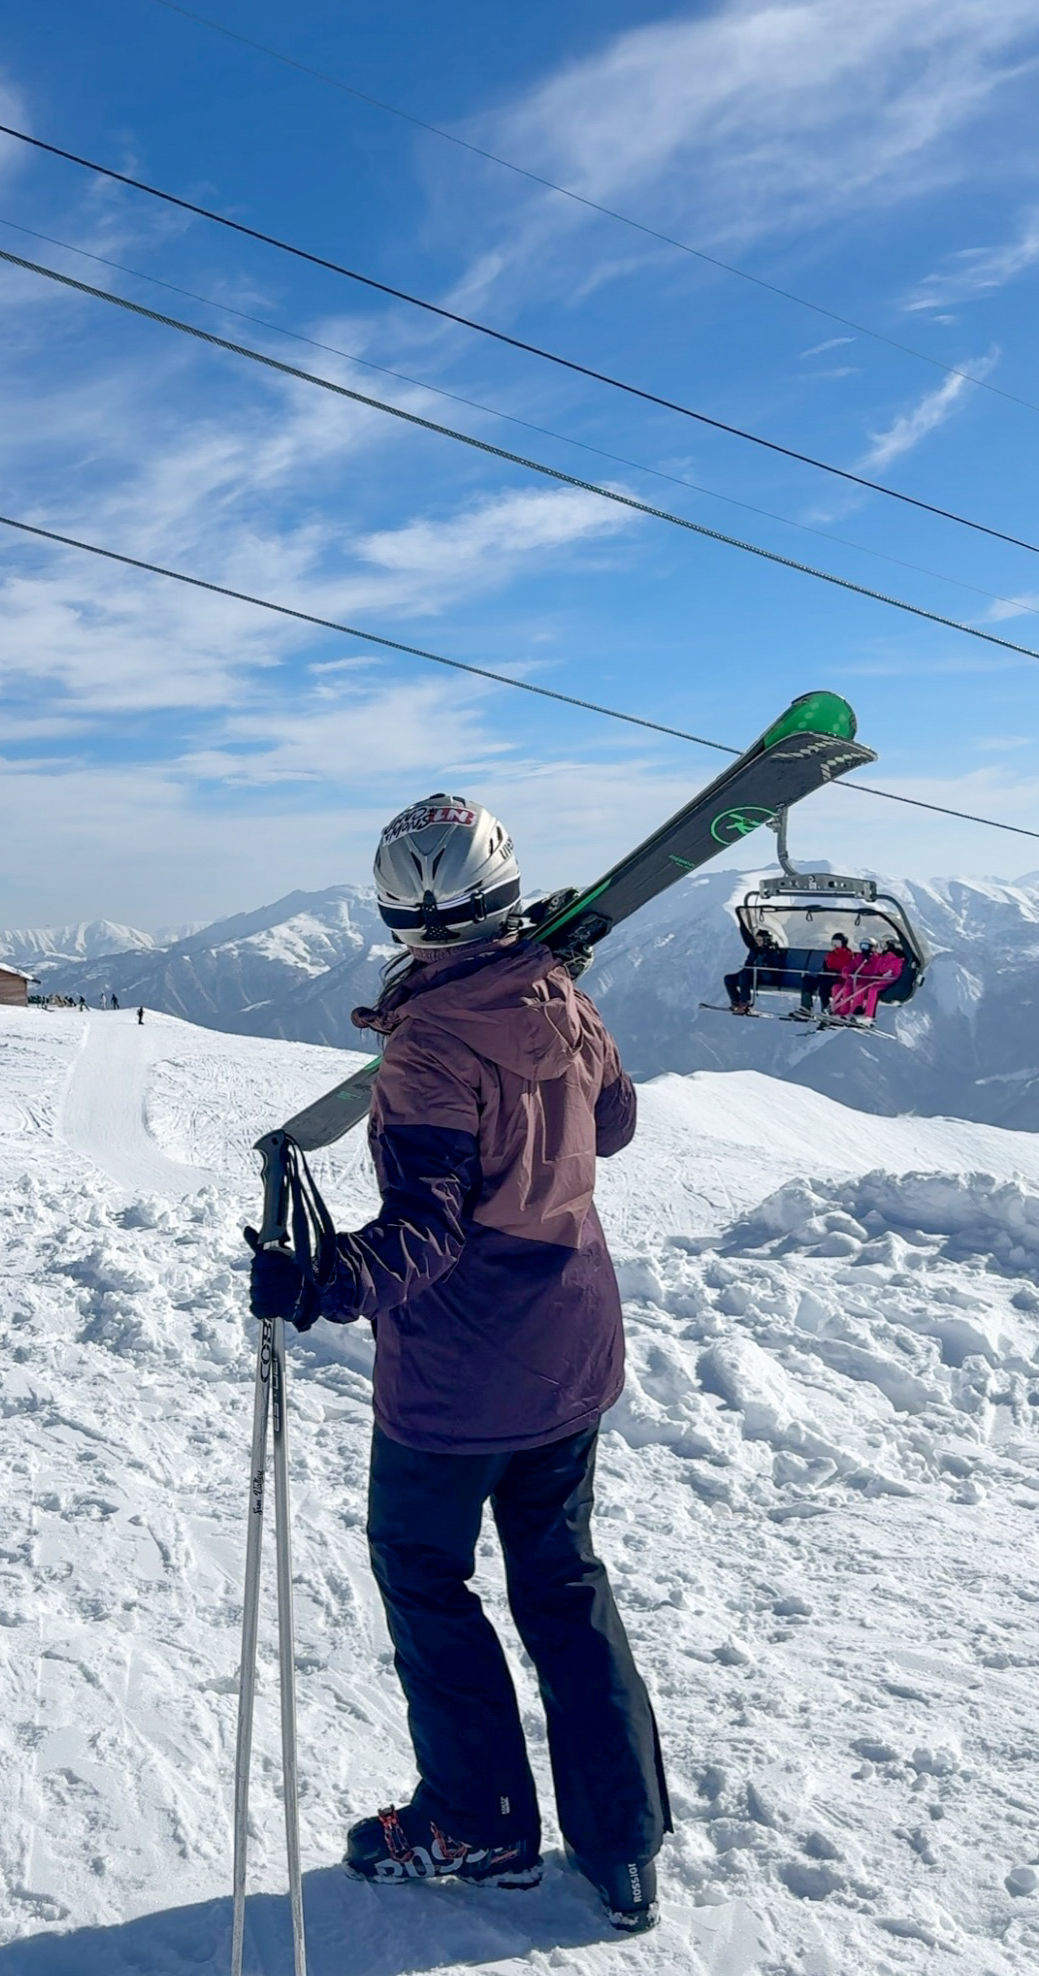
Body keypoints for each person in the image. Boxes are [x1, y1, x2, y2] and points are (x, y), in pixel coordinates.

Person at [247, 793, 670, 1937]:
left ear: (395, 911)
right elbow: (614, 1125)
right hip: (574, 1343)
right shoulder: (561, 997)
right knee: (562, 1580)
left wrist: (318, 1280)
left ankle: (477, 1819)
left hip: (460, 1381)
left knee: (426, 1577)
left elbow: (427, 1235)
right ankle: (622, 1842)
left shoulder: (427, 1050)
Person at [835, 937, 904, 1021]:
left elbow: (891, 972)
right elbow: (851, 966)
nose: (864, 949)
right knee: (846, 987)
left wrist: (879, 976)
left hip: (875, 981)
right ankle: (843, 1011)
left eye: (866, 947)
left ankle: (863, 1014)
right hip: (863, 980)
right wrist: (846, 972)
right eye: (862, 947)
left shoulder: (889, 959)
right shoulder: (864, 958)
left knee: (866, 989)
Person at [723, 925, 786, 1014]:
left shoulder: (772, 952)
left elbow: (775, 967)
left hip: (766, 976)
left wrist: (762, 966)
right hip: (752, 974)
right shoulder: (755, 950)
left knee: (744, 976)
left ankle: (744, 1003)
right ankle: (735, 1002)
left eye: (760, 940)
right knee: (729, 979)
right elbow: (748, 962)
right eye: (757, 940)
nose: (758, 942)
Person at [791, 933, 853, 1020]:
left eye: (837, 943)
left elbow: (846, 968)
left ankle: (826, 1010)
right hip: (826, 976)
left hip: (837, 978)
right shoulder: (830, 954)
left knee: (823, 989)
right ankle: (806, 1008)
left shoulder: (848, 955)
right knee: (807, 981)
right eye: (833, 943)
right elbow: (825, 967)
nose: (835, 945)